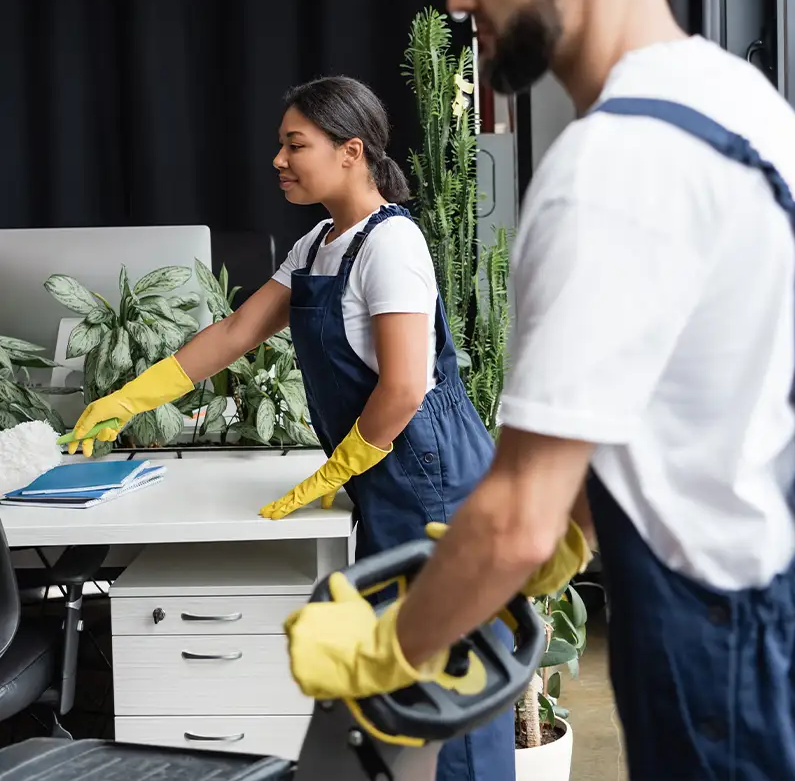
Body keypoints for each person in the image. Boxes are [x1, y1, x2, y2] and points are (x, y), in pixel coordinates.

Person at [279, 0, 795, 781]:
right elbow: (696, 398)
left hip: (722, 660)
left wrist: (388, 649)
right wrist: (576, 532)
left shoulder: (610, 170)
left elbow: (510, 514)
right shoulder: (747, 106)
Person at [65, 74, 516, 781]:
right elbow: (238, 330)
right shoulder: (317, 245)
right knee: (403, 679)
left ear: (351, 151)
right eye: (280, 144)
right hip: (385, 474)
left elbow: (402, 389)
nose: (278, 159)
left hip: (435, 486)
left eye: (294, 144)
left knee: (447, 685)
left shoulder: (390, 246)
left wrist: (336, 470)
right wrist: (129, 397)